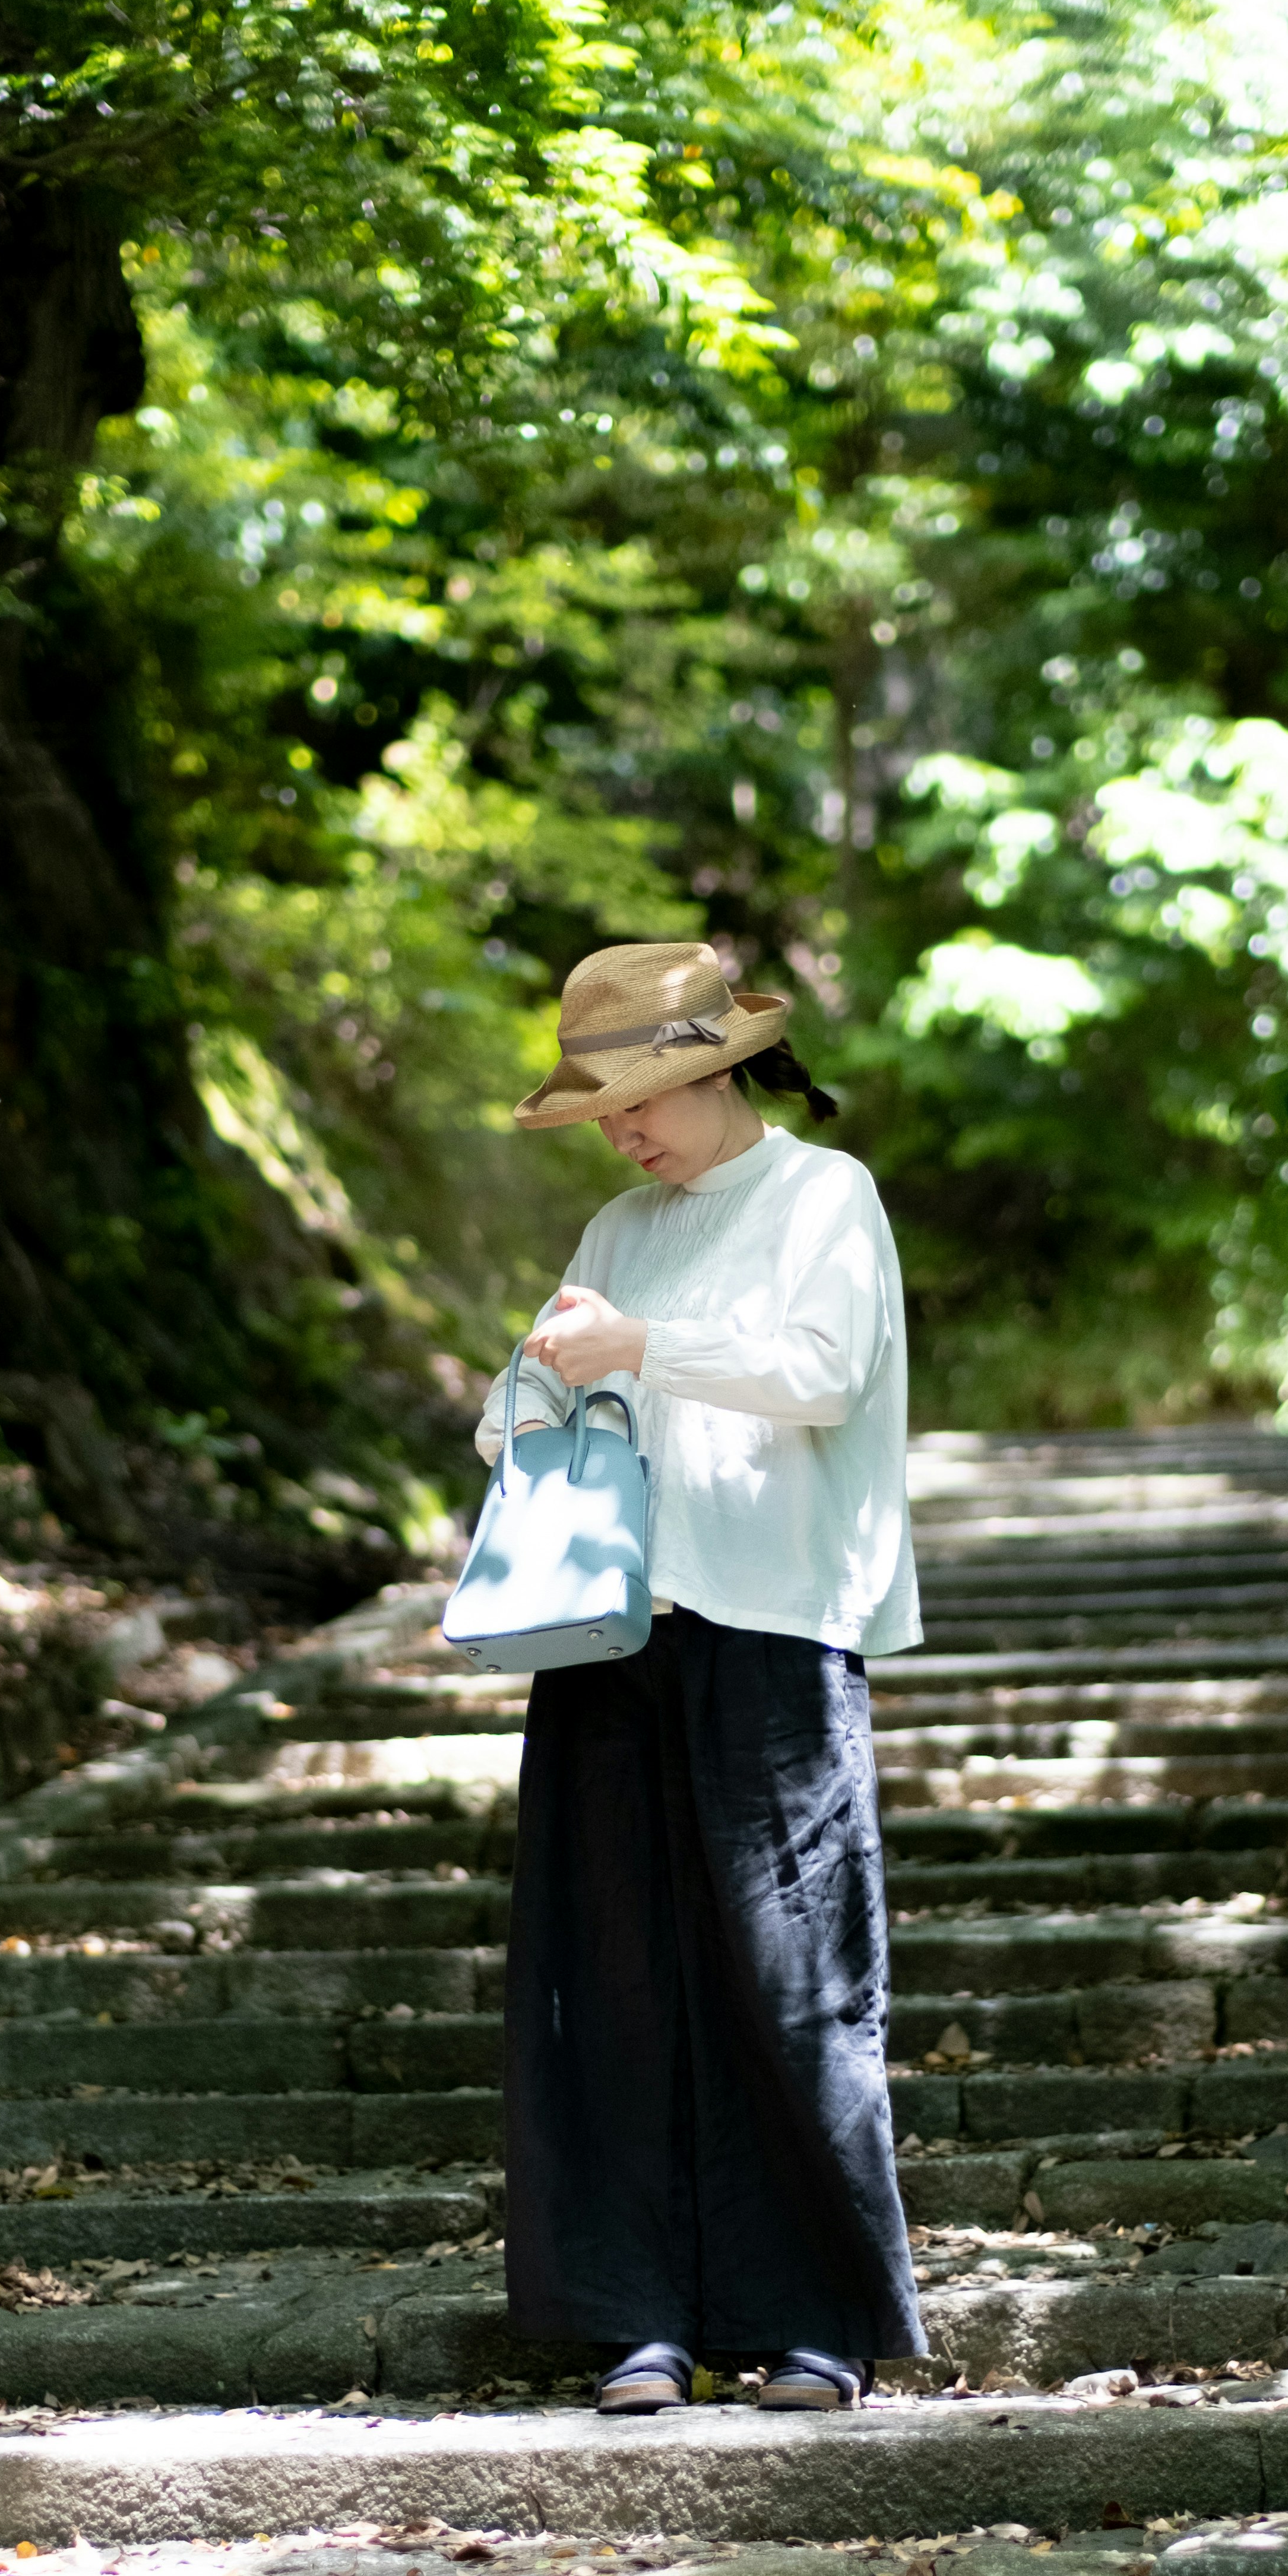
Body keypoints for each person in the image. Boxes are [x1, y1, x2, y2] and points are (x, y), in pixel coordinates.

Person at [471, 938, 928, 2414]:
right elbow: (508, 1415)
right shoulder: (615, 1231)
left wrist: (642, 1349)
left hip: (779, 1617)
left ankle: (817, 2320)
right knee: (609, 1979)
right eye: (605, 1109)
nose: (624, 1129)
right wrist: (550, 1374)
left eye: (643, 1098)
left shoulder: (822, 1196)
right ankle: (639, 2317)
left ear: (723, 1068)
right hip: (611, 1624)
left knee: (793, 1976)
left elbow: (827, 1370)